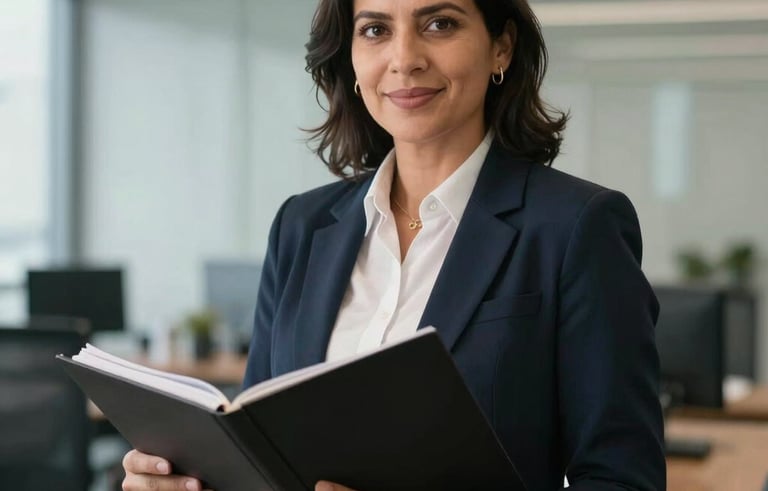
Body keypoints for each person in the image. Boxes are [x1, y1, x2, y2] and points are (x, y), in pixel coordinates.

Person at [121, 0, 666, 490]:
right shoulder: (302, 226)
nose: (404, 58)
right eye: (376, 29)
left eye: (440, 23)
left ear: (501, 46)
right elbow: (257, 452)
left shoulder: (576, 227)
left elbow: (623, 479)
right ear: (351, 58)